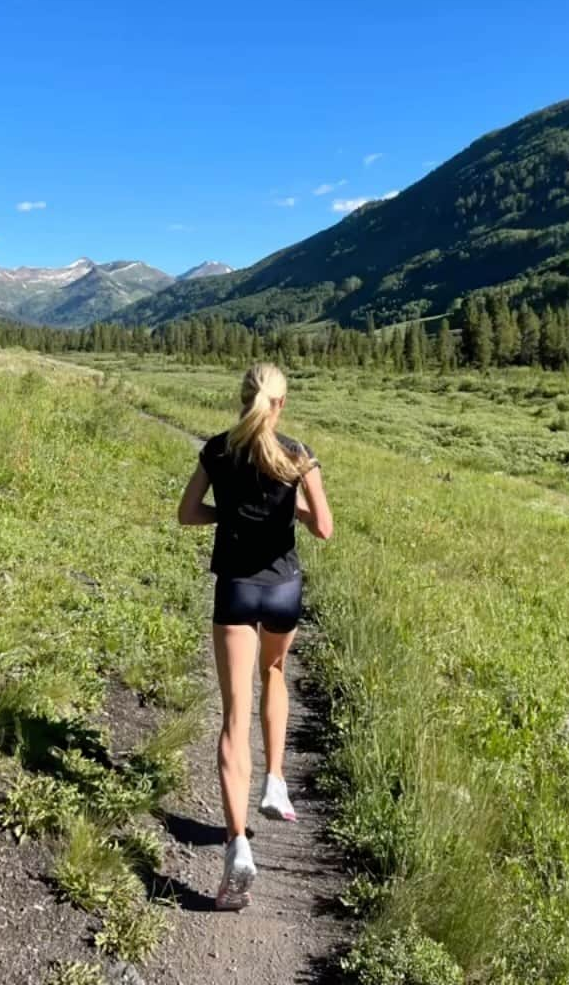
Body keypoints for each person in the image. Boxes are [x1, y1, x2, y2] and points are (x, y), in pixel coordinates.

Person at [177, 362, 333, 910]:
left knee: (232, 717)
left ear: (242, 397)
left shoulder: (217, 451)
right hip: (284, 589)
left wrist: (230, 514)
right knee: (275, 673)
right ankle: (274, 780)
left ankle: (237, 844)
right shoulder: (298, 453)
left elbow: (187, 512)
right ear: (281, 403)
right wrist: (292, 500)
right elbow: (324, 527)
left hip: (237, 592)